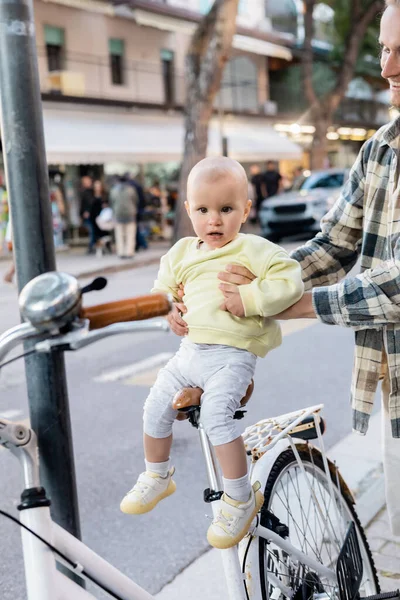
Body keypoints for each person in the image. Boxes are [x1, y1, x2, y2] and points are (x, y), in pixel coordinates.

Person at [168, 0, 400, 537]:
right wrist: (223, 283)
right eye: (385, 48)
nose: (387, 68)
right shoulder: (381, 149)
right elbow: (334, 245)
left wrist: (287, 302)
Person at [119, 156, 304, 549]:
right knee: (155, 407)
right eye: (202, 210)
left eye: (226, 209)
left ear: (245, 210)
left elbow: (291, 281)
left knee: (218, 419)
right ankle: (157, 474)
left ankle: (239, 497)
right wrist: (168, 305)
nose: (214, 221)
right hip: (189, 352)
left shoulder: (254, 249)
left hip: (232, 356)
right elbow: (161, 289)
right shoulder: (183, 251)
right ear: (188, 210)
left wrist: (250, 297)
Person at [110, 174, 138, 258]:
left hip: (118, 214)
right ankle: (129, 252)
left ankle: (121, 252)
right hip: (130, 213)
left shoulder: (114, 190)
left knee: (119, 235)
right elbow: (136, 201)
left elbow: (111, 202)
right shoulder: (131, 190)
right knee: (130, 234)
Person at [79, 176, 96, 254]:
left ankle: (92, 246)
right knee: (91, 231)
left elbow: (90, 203)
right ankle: (91, 246)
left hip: (92, 215)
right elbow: (83, 204)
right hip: (88, 215)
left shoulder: (91, 191)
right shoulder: (85, 192)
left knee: (92, 231)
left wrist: (86, 211)